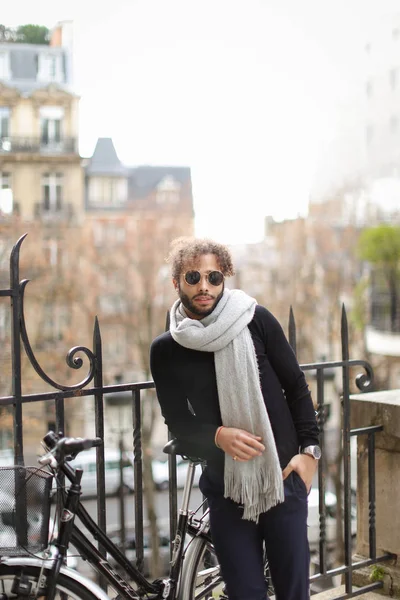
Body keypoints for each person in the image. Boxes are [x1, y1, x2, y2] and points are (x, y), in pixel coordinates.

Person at [150, 237, 320, 600]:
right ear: (176, 282)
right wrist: (218, 436)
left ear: (224, 277)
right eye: (193, 277)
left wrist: (309, 454)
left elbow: (296, 385)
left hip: (282, 476)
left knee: (294, 591)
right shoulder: (166, 350)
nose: (204, 287)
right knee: (245, 592)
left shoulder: (255, 319)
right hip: (226, 487)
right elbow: (178, 424)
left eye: (213, 277)